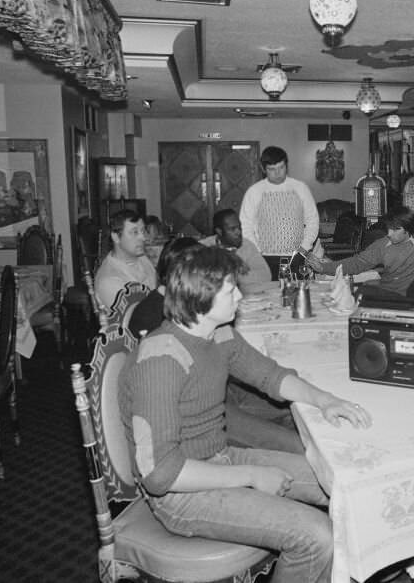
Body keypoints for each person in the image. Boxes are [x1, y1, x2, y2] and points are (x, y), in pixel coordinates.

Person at [120, 244, 371, 583]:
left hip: (219, 457)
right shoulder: (161, 361)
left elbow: (270, 376)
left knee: (342, 482)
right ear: (202, 297)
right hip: (181, 494)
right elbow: (161, 475)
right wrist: (253, 475)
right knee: (316, 536)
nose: (240, 295)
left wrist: (325, 400)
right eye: (231, 289)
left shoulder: (217, 333)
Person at [127, 236, 304, 455]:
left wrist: (324, 399)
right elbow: (160, 463)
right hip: (205, 418)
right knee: (297, 441)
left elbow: (266, 373)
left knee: (298, 412)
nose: (239, 295)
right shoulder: (161, 343)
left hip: (220, 391)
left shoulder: (211, 327)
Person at [304, 206, 414, 298]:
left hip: (409, 295)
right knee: (346, 292)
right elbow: (357, 263)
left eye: (395, 229)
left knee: (359, 293)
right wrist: (324, 268)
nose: (389, 233)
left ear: (408, 229)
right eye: (388, 228)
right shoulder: (383, 244)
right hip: (387, 290)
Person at [239, 146, 320, 279]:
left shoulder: (300, 188)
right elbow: (245, 226)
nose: (278, 173)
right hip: (265, 258)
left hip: (297, 256)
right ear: (263, 169)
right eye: (272, 169)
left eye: (281, 167)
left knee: (297, 295)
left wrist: (304, 248)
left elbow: (312, 221)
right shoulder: (254, 192)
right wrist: (257, 253)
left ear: (286, 166)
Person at [94, 209, 157, 310]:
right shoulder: (109, 280)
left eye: (142, 231)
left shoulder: (142, 258)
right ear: (116, 237)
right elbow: (136, 320)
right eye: (134, 232)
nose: (143, 237)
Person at [200, 208, 270, 285]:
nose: (238, 232)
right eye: (232, 229)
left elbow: (265, 275)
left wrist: (231, 276)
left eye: (239, 227)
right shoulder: (203, 246)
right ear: (219, 231)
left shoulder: (247, 246)